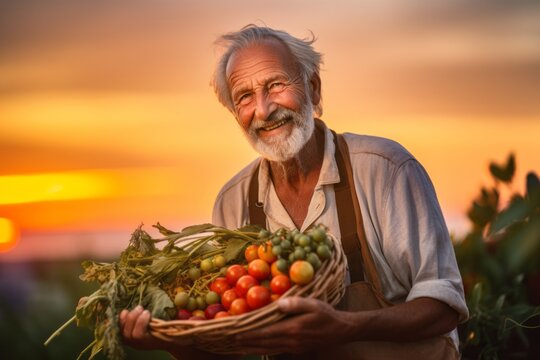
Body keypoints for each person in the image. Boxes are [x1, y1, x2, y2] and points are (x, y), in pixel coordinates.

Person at [120, 25, 469, 359]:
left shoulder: (385, 170)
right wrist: (168, 342)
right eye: (244, 96)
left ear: (313, 89)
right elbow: (231, 345)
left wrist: (344, 327)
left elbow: (443, 306)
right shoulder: (233, 203)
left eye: (275, 85)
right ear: (234, 113)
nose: (264, 109)